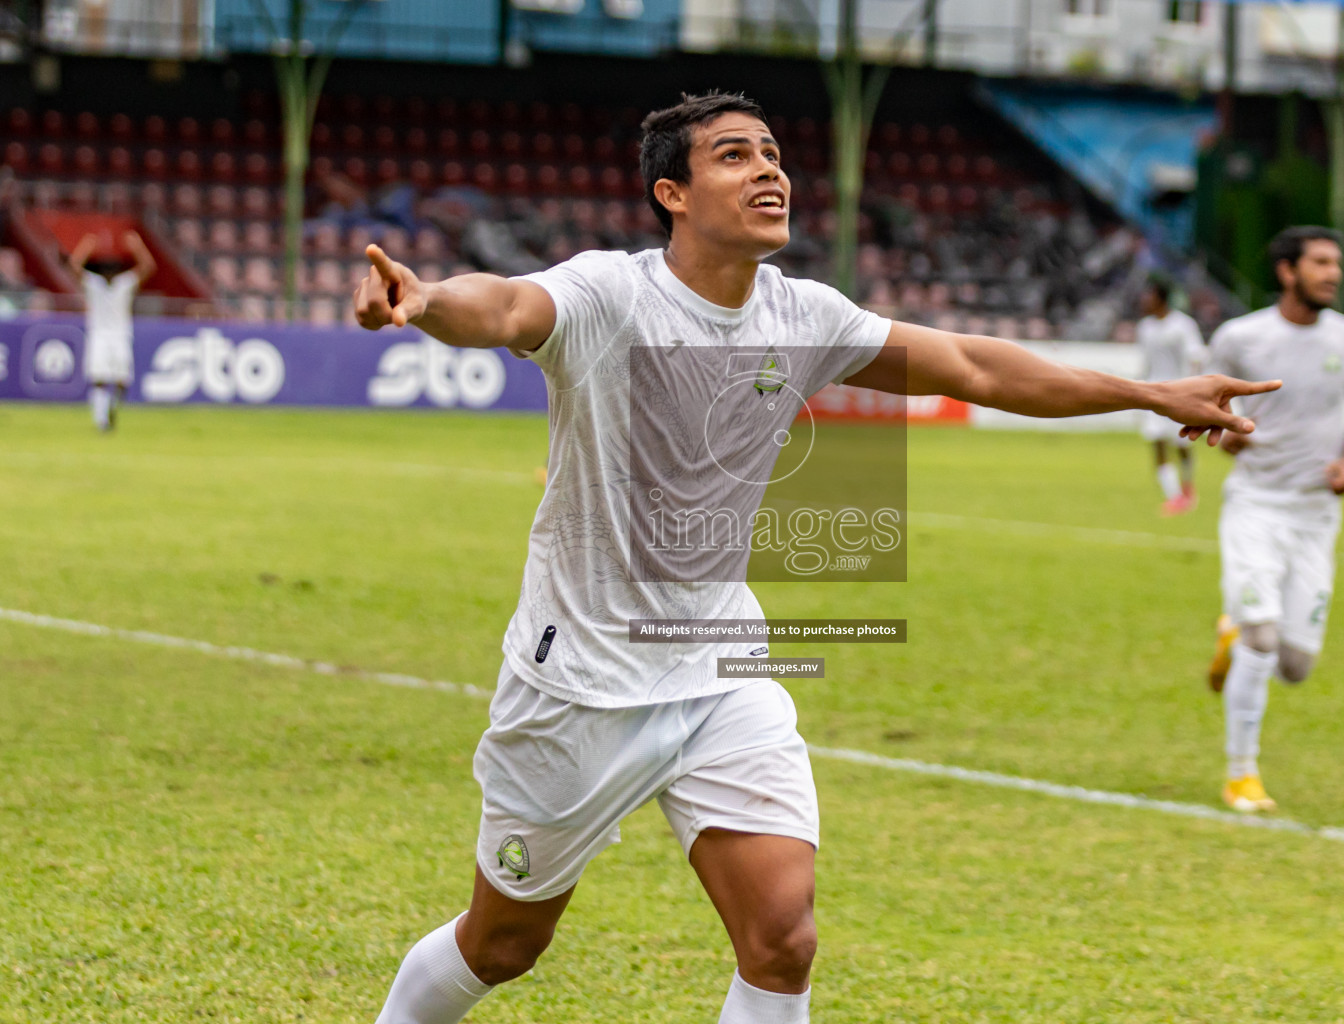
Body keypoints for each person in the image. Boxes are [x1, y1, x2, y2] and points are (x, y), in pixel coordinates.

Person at [353, 92, 1276, 1024]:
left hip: (720, 666)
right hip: (580, 683)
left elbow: (974, 366)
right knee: (504, 945)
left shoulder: (807, 315)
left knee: (783, 939)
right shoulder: (608, 294)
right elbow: (507, 305)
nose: (770, 171)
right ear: (671, 193)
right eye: (734, 157)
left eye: (774, 153)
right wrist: (425, 300)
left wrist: (1152, 393)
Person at [1204, 226, 1344, 814]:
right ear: (1287, 271)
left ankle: (1233, 634)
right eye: (1321, 263)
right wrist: (1224, 435)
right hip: (1255, 506)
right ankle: (1241, 774)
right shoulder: (1240, 337)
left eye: (1337, 263)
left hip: (1315, 515)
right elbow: (1212, 407)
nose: (1333, 273)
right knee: (1263, 639)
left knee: (1296, 665)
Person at [66, 230, 155, 432]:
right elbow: (73, 266)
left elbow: (148, 267)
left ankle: (110, 410)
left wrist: (138, 247)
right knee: (99, 377)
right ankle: (101, 421)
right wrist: (86, 247)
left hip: (121, 335)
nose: (109, 274)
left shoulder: (124, 284)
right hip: (98, 335)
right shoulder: (94, 284)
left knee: (122, 380)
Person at [1134, 273, 1206, 515]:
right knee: (1157, 443)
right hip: (1154, 393)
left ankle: (1188, 488)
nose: (1144, 299)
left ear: (1161, 297)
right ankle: (1174, 496)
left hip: (1179, 392)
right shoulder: (1145, 327)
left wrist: (1193, 388)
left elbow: (1195, 356)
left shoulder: (1182, 325)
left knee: (1183, 444)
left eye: (1149, 294)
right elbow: (1145, 363)